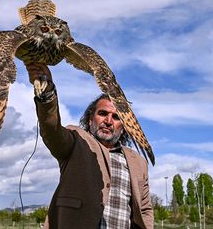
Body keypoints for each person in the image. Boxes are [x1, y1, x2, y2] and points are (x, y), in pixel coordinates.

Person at [26, 63, 153, 229]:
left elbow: (144, 209)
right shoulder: (77, 140)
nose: (108, 121)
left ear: (124, 127)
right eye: (102, 114)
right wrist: (47, 94)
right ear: (90, 120)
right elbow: (52, 131)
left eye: (116, 117)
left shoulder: (138, 162)